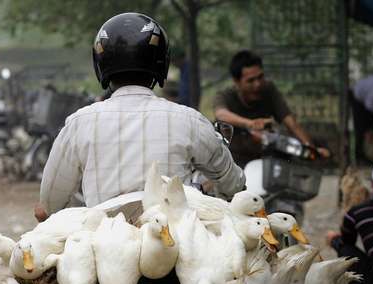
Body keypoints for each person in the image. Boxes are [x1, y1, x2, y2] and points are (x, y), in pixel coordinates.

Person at [38, 12, 244, 218]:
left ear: (100, 64)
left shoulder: (79, 123)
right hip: (174, 244)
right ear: (161, 62)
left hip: (105, 244)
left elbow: (50, 202)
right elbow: (234, 185)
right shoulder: (190, 121)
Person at [213, 50, 330, 168]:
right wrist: (250, 124)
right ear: (236, 81)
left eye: (260, 77)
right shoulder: (225, 96)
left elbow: (291, 123)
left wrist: (311, 150)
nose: (257, 84)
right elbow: (221, 114)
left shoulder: (269, 90)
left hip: (263, 162)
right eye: (251, 80)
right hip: (231, 163)